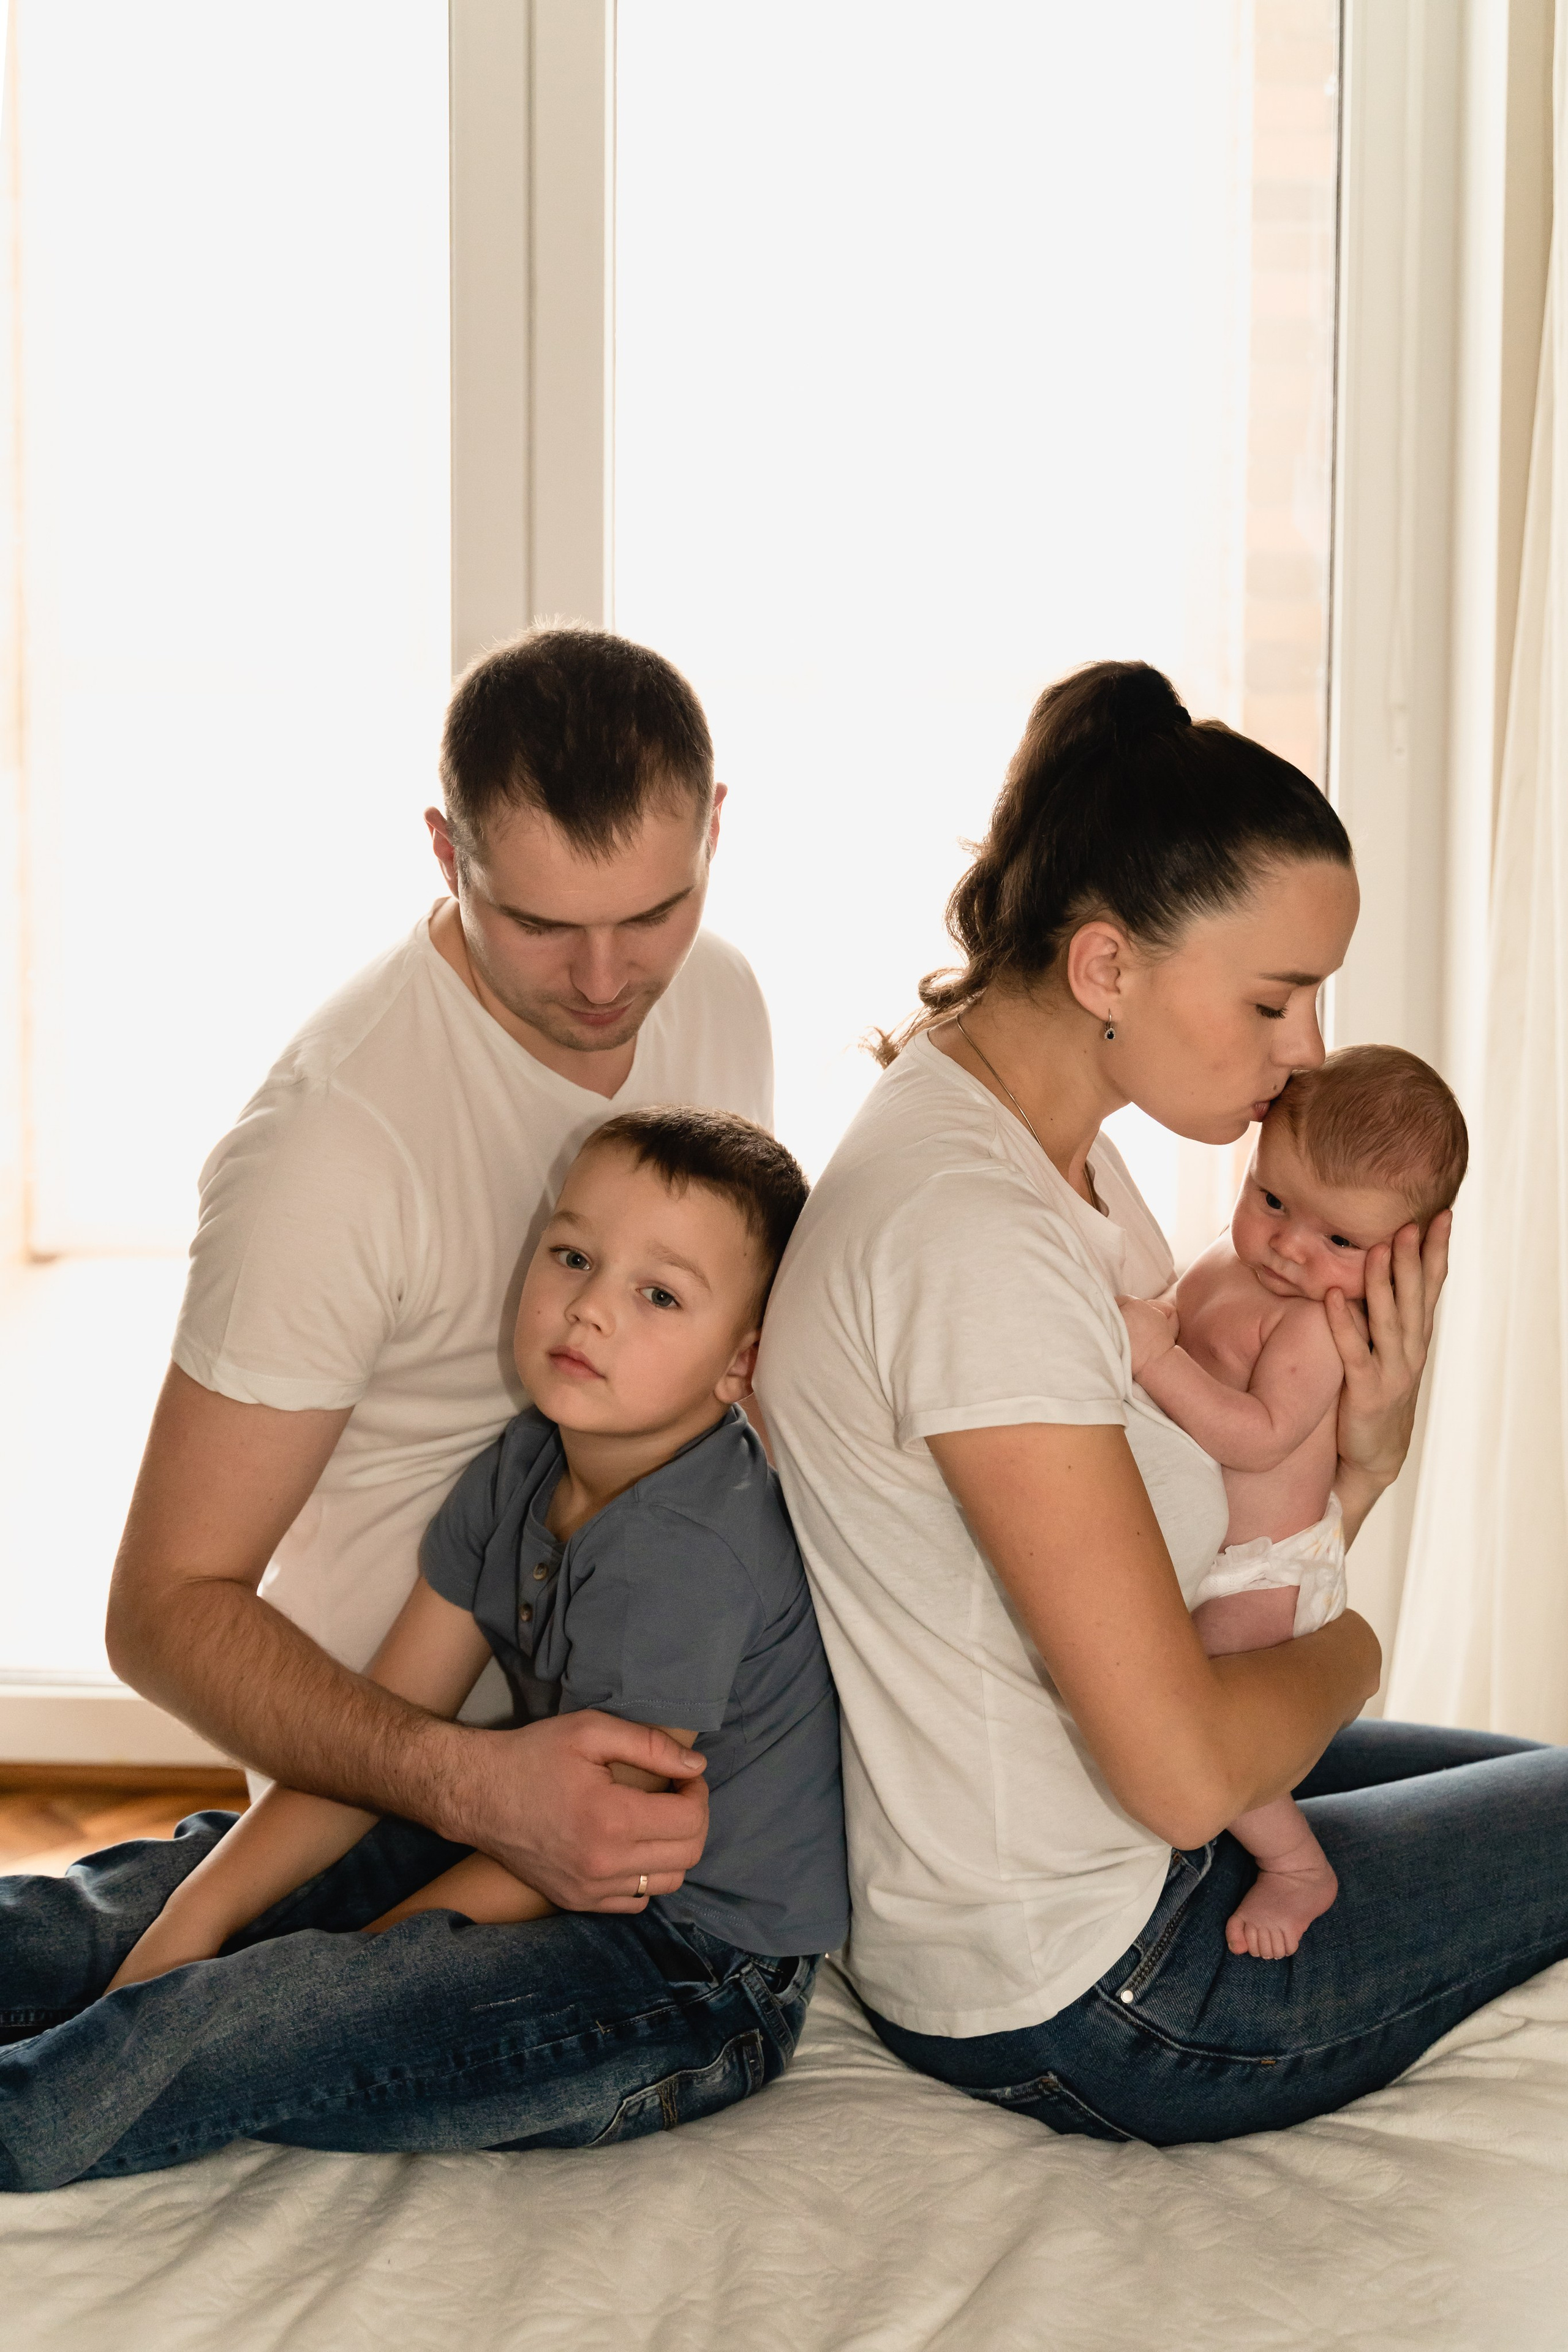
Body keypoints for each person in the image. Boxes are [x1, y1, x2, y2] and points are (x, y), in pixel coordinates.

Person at [756, 657, 1568, 2149]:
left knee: (1533, 1783)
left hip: (1086, 1872)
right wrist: (1356, 1639)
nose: (1311, 1049)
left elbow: (1203, 1543)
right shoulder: (972, 1236)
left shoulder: (1043, 1153)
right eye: (1274, 997)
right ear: (1106, 968)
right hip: (1086, 1984)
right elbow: (1184, 1772)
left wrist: (1360, 1467)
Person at [0, 1110, 845, 2190]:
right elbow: (383, 1733)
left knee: (243, 2014)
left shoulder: (686, 1551)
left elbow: (597, 1856)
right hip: (523, 1846)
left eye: (659, 1295)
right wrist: (198, 1915)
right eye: (575, 1257)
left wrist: (343, 1968)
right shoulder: (526, 1458)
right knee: (140, 1897)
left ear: (742, 1363)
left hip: (682, 1970)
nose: (590, 1307)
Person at [105, 627, 774, 1918]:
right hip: (382, 1792)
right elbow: (161, 1613)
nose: (603, 980)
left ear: (715, 833)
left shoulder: (723, 998)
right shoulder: (332, 1145)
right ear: (441, 851)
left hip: (644, 1730)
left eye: (654, 912)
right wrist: (475, 1785)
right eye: (535, 923)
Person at [1120, 1046, 1469, 1960]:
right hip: (1228, 1557)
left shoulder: (1314, 1324)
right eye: (1272, 1200)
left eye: (1339, 1242)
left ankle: (1296, 1866)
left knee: (1208, 1711)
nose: (1288, 1245)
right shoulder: (1224, 1265)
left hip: (1269, 1566)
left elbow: (1259, 1434)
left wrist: (1151, 1358)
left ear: (1403, 1260)